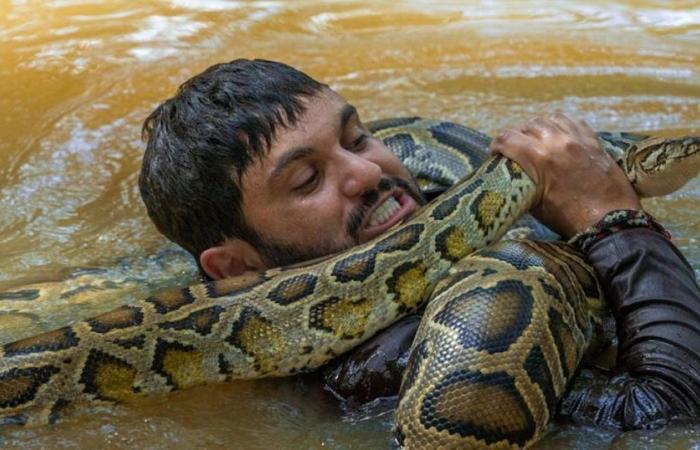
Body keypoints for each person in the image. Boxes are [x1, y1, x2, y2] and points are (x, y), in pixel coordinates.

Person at [139, 58, 700, 430]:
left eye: (356, 137)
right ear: (235, 266)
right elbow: (666, 412)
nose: (365, 171)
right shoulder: (394, 368)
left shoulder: (445, 200)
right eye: (308, 180)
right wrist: (609, 220)